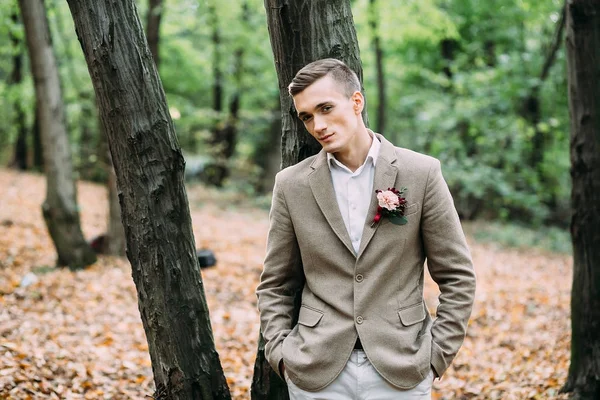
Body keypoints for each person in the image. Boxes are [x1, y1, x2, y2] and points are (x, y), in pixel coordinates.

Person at [256, 58, 476, 399]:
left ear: (356, 101)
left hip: (401, 367)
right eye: (307, 116)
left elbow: (457, 276)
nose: (318, 124)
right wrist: (281, 355)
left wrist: (436, 357)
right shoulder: (291, 185)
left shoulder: (421, 173)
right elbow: (275, 283)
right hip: (316, 371)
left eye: (326, 108)